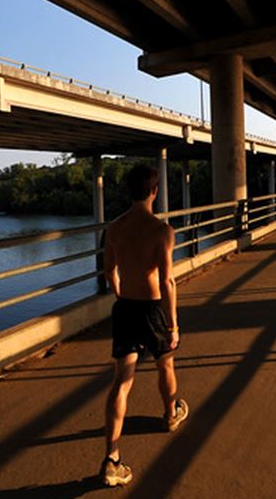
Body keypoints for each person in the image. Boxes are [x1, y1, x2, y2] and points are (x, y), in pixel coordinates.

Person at [99, 164, 189, 487]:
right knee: (166, 365)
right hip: (152, 311)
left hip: (125, 309)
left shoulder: (115, 229)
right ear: (155, 191)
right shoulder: (162, 231)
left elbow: (110, 272)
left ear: (129, 191)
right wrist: (173, 325)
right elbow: (167, 281)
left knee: (121, 382)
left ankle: (112, 458)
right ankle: (170, 414)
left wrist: (122, 296)